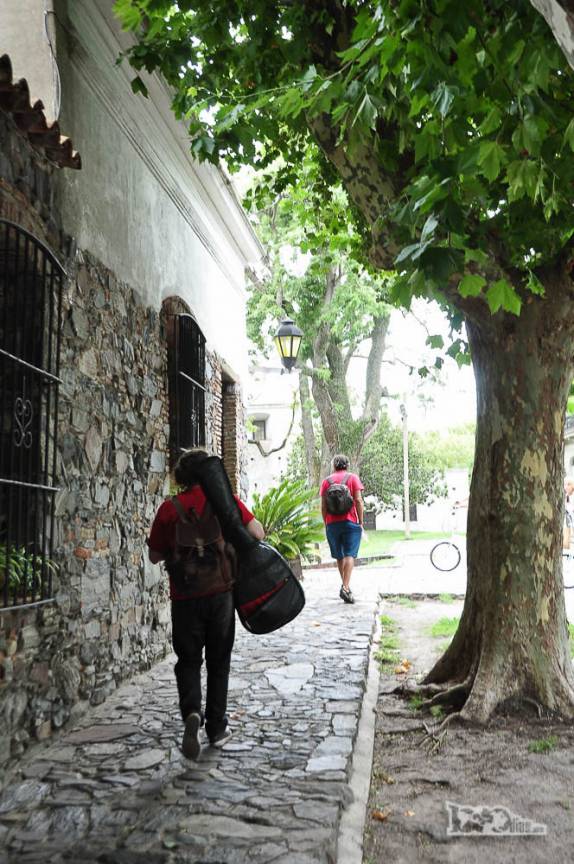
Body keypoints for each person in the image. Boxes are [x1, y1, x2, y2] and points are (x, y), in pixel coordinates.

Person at [147, 449, 264, 760]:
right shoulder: (223, 504)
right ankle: (216, 727)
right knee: (218, 662)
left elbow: (154, 555)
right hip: (221, 595)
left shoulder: (169, 509)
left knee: (188, 661)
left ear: (182, 478)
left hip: (184, 599)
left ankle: (191, 713)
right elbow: (257, 532)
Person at [320, 454, 364, 604]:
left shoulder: (326, 482)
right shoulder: (353, 478)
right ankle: (345, 587)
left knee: (339, 555)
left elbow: (323, 505)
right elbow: (358, 500)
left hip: (332, 524)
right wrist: (360, 521)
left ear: (334, 466)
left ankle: (346, 587)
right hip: (350, 522)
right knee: (350, 554)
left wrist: (326, 522)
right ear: (347, 465)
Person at [564, 477, 574, 552]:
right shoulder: (565, 496)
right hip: (568, 519)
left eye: (569, 484)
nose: (566, 487)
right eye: (565, 484)